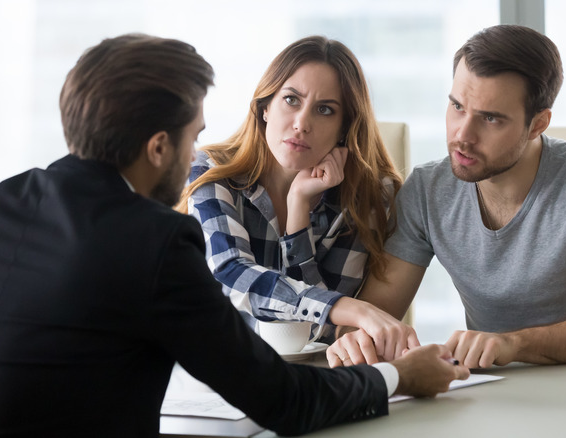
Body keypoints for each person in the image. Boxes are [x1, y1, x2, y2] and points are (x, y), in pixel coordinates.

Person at [0, 34, 469, 438]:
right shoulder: (159, 241)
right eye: (194, 133)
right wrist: (401, 377)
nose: (198, 149)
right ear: (160, 147)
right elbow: (286, 403)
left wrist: (298, 215)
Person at [327, 24, 566, 369]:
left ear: (537, 124)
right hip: (493, 392)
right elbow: (373, 313)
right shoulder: (428, 190)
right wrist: (357, 338)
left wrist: (513, 343)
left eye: (490, 118)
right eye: (457, 106)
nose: (463, 135)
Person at [176, 36, 417, 357]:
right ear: (265, 107)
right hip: (217, 372)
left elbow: (321, 332)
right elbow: (232, 274)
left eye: (325, 110)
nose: (302, 123)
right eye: (291, 100)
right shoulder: (210, 171)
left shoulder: (368, 197)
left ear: (344, 128)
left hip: (316, 375)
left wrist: (298, 214)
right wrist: (354, 310)